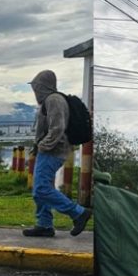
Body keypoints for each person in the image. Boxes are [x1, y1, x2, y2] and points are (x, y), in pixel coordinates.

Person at [23, 70, 92, 238]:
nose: (35, 92)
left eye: (36, 87)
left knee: (41, 189)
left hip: (53, 151)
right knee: (42, 188)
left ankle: (78, 213)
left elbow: (57, 129)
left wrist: (42, 146)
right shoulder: (51, 100)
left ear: (43, 86)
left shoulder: (54, 100)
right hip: (51, 150)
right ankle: (44, 225)